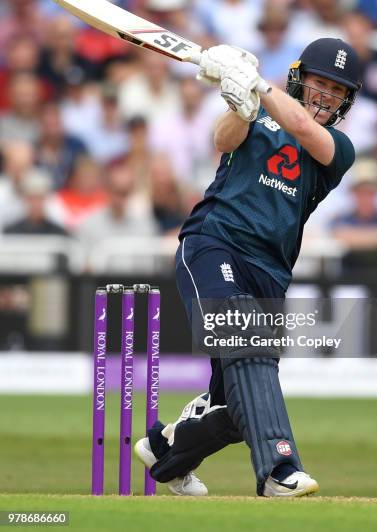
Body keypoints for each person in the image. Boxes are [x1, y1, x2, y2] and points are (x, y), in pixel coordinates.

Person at [135, 38, 362, 497]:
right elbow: (223, 140)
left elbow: (299, 125)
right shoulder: (256, 109)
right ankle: (279, 471)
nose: (325, 96)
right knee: (249, 348)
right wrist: (242, 102)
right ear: (300, 78)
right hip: (214, 245)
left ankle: (164, 452)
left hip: (270, 271)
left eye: (336, 91)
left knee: (238, 403)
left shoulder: (338, 148)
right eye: (319, 83)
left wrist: (255, 81)